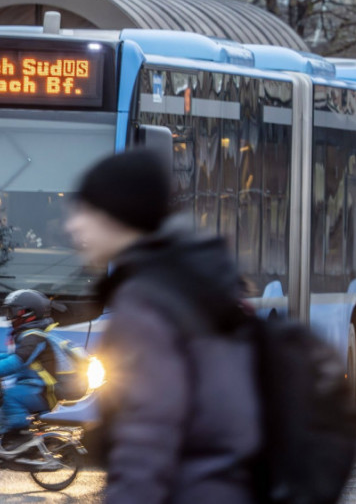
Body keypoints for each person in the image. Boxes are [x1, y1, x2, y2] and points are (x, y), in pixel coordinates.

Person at [64, 150, 259, 504]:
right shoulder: (191, 281)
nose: (72, 226)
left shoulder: (145, 302)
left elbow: (147, 437)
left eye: (85, 211)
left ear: (117, 215)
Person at [0, 289, 64, 448]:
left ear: (27, 313)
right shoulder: (29, 335)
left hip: (44, 390)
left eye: (12, 312)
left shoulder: (34, 337)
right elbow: (13, 357)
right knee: (5, 396)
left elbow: (18, 361)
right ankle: (14, 439)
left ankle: (19, 437)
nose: (10, 317)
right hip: (33, 386)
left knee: (10, 397)